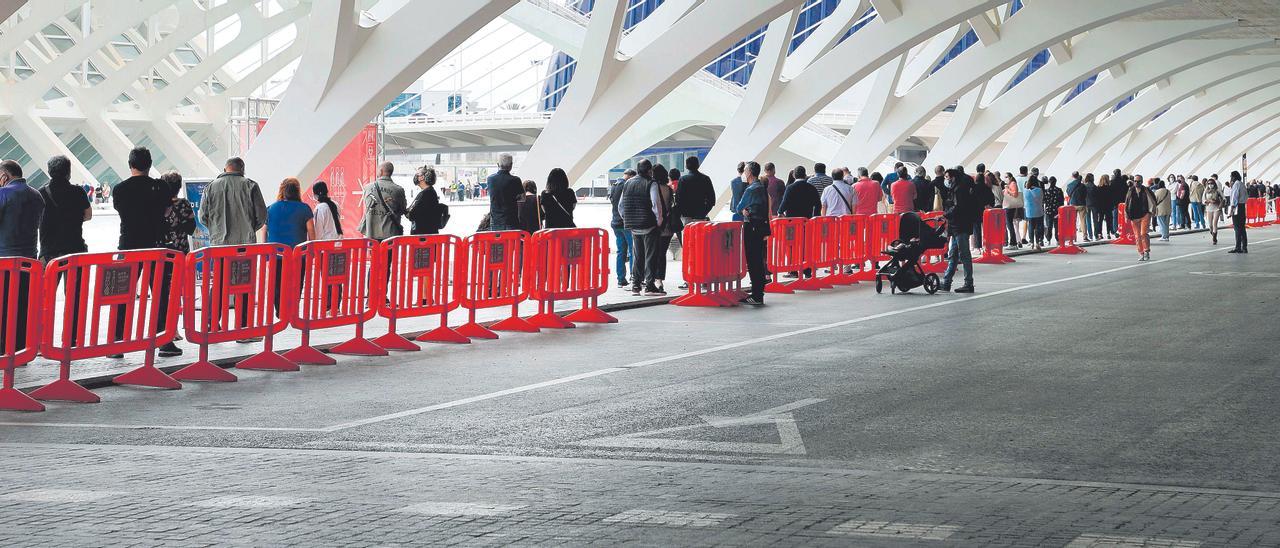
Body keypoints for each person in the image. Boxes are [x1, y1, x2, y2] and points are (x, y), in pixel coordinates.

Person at [112, 148, 182, 357]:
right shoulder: (160, 186)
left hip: (129, 246)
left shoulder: (120, 189)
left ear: (130, 164)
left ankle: (118, 343)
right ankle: (163, 340)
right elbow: (167, 211)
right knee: (160, 293)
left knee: (124, 294)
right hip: (156, 246)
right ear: (150, 164)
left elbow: (120, 211)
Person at [0, 160, 44, 354]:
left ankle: (4, 349)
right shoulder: (37, 195)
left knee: (3, 307)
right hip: (29, 261)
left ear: (4, 176)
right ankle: (20, 350)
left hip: (5, 260)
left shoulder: (3, 194)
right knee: (22, 307)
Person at [199, 156, 267, 246]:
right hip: (246, 244)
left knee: (220, 261)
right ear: (242, 169)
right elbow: (262, 216)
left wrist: (216, 230)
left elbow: (202, 217)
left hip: (219, 244)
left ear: (224, 169)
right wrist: (249, 229)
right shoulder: (251, 186)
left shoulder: (210, 188)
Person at [620, 160, 663, 296]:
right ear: (649, 170)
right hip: (648, 224)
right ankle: (649, 286)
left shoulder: (628, 183)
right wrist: (659, 220)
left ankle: (636, 285)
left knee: (638, 256)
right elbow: (656, 204)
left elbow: (621, 206)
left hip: (633, 225)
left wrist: (627, 219)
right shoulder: (651, 183)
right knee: (650, 255)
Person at [37, 155, 91, 262]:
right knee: (74, 279)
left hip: (49, 251)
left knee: (49, 279)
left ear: (49, 171)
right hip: (74, 249)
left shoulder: (41, 192)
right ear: (69, 172)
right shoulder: (78, 191)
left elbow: (35, 219)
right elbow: (88, 216)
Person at [941, 167, 978, 293]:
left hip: (960, 226)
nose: (945, 180)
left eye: (947, 177)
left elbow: (957, 207)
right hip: (959, 225)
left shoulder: (958, 190)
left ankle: (968, 283)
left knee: (964, 255)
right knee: (953, 254)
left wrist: (945, 215)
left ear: (953, 177)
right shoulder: (960, 187)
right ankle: (946, 282)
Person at [738, 161, 769, 306]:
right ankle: (758, 292)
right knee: (758, 260)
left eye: (745, 171)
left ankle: (757, 295)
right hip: (761, 226)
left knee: (753, 260)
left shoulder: (751, 189)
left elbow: (738, 207)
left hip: (751, 226)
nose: (744, 173)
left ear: (750, 172)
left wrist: (744, 210)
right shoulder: (762, 187)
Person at [358, 162, 406, 241]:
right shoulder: (398, 190)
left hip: (371, 235)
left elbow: (367, 208)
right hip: (391, 236)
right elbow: (402, 210)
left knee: (373, 253)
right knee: (389, 254)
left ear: (380, 171)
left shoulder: (367, 188)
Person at [264, 178, 315, 246]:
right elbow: (312, 237)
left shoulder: (270, 209)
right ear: (297, 191)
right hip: (298, 255)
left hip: (274, 255)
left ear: (282, 191)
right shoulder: (305, 209)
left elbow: (264, 233)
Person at [651, 164, 677, 294]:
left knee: (653, 254)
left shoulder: (652, 187)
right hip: (667, 228)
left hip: (655, 227)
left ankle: (650, 279)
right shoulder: (668, 189)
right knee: (662, 254)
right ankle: (659, 280)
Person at [157, 172, 196, 253]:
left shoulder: (157, 204)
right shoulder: (183, 204)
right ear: (179, 187)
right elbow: (191, 229)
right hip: (181, 252)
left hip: (162, 253)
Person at [609, 170, 635, 287]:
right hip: (626, 223)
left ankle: (621, 279)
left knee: (621, 252)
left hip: (615, 223)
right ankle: (633, 276)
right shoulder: (627, 185)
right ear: (630, 176)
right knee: (633, 251)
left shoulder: (614, 186)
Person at [486, 154, 523, 231]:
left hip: (495, 221)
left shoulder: (490, 179)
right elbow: (522, 198)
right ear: (511, 165)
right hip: (511, 220)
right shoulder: (516, 180)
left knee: (498, 243)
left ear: (498, 164)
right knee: (512, 242)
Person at [675, 156, 715, 225]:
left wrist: (683, 212)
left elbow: (678, 199)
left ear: (686, 166)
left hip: (686, 216)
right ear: (698, 165)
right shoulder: (706, 179)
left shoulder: (683, 180)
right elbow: (712, 200)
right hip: (701, 215)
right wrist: (704, 212)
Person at [407, 166, 443, 235]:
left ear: (422, 177)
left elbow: (413, 214)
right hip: (424, 234)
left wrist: (407, 212)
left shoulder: (427, 193)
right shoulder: (427, 192)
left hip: (424, 236)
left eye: (417, 174)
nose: (415, 176)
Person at [1125, 178, 1155, 261]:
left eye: (1138, 181)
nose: (1136, 182)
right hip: (1134, 216)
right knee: (1137, 236)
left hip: (1145, 214)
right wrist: (1126, 215)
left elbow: (1153, 200)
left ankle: (1146, 251)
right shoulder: (1130, 191)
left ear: (1142, 182)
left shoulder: (1146, 190)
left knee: (1143, 233)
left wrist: (1151, 211)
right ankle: (1141, 253)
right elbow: (1127, 202)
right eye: (1135, 181)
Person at [1228, 171, 1248, 254]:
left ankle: (1238, 247)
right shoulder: (1242, 184)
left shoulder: (1236, 184)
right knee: (1242, 228)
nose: (1230, 178)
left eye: (1231, 176)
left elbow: (1234, 197)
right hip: (1242, 206)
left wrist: (1232, 209)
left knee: (1237, 228)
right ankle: (1244, 247)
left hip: (1237, 207)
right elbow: (1246, 196)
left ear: (1234, 177)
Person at [1002, 172, 1023, 249]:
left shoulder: (1013, 183)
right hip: (1009, 206)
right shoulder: (1010, 184)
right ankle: (1013, 242)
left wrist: (1007, 189)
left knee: (1009, 224)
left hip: (1010, 207)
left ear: (1010, 177)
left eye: (1006, 177)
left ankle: (1013, 243)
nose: (1005, 178)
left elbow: (1015, 194)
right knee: (1009, 224)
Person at [1023, 177, 1045, 251]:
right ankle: (1037, 243)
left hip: (1029, 211)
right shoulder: (1039, 190)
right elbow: (1042, 199)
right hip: (1038, 211)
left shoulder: (1025, 191)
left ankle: (1031, 242)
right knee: (1038, 227)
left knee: (1031, 226)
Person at [1066, 171, 1087, 240]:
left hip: (1073, 204)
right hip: (1082, 204)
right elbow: (1085, 195)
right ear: (1078, 176)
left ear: (1072, 176)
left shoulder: (1069, 185)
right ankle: (1085, 236)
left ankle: (1073, 237)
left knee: (1073, 221)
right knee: (1083, 220)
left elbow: (1069, 194)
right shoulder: (1083, 185)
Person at [1202, 177, 1223, 245]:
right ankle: (1212, 232)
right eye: (1209, 184)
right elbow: (1203, 200)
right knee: (1210, 225)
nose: (1210, 185)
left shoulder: (1217, 190)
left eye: (1212, 183)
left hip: (1216, 208)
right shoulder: (1206, 191)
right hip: (1209, 208)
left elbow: (1224, 198)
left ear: (1214, 184)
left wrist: (1220, 204)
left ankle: (1214, 238)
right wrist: (1206, 201)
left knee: (1214, 223)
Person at [1043, 176, 1063, 245]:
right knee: (1057, 226)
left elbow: (1044, 201)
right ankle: (1058, 240)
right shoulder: (1059, 190)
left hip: (1048, 211)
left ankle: (1048, 240)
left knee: (1049, 226)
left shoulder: (1046, 191)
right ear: (1055, 182)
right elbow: (1062, 202)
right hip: (1057, 211)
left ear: (1049, 182)